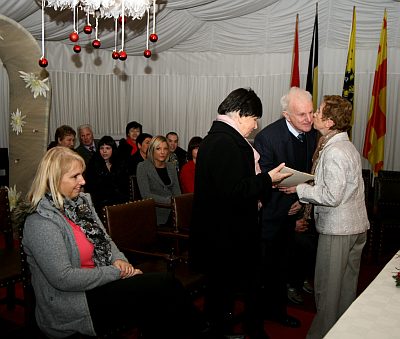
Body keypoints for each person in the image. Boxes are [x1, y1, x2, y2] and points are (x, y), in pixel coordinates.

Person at [21, 146, 207, 339]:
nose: (83, 181)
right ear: (54, 180)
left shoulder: (81, 205)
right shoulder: (40, 222)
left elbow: (106, 240)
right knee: (163, 287)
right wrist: (117, 272)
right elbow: (64, 279)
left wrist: (120, 261)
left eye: (81, 175)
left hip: (99, 284)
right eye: (75, 176)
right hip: (75, 303)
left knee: (159, 299)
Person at [190, 88, 291, 339]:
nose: (256, 125)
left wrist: (265, 182)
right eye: (254, 118)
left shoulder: (221, 137)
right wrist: (268, 179)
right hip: (224, 235)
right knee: (222, 290)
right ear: (239, 114)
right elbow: (235, 191)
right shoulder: (225, 141)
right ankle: (220, 330)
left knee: (222, 290)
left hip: (224, 233)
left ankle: (221, 328)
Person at [292, 95, 369, 338]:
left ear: (330, 122)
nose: (313, 115)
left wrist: (298, 189)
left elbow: (332, 195)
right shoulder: (347, 146)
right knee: (346, 289)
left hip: (338, 230)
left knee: (326, 290)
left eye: (319, 112)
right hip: (355, 227)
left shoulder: (334, 150)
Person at [254, 87, 318, 328]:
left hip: (293, 211)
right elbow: (267, 179)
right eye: (302, 114)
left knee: (283, 267)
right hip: (270, 217)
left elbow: (311, 174)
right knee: (264, 270)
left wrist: (299, 203)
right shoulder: (267, 137)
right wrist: (288, 205)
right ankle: (259, 317)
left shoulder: (312, 134)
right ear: (286, 115)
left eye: (311, 112)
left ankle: (279, 311)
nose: (309, 119)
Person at [136, 135, 181, 226]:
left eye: (165, 149)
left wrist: (177, 203)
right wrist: (170, 201)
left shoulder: (171, 167)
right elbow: (146, 195)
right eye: (158, 149)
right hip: (155, 212)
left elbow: (177, 192)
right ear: (152, 150)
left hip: (174, 212)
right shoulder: (143, 166)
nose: (162, 152)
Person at [85, 136, 130, 214]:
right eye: (102, 148)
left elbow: (124, 185)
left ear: (113, 149)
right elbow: (91, 188)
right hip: (101, 202)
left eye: (107, 148)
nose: (104, 151)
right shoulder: (93, 164)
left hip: (120, 200)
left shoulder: (119, 162)